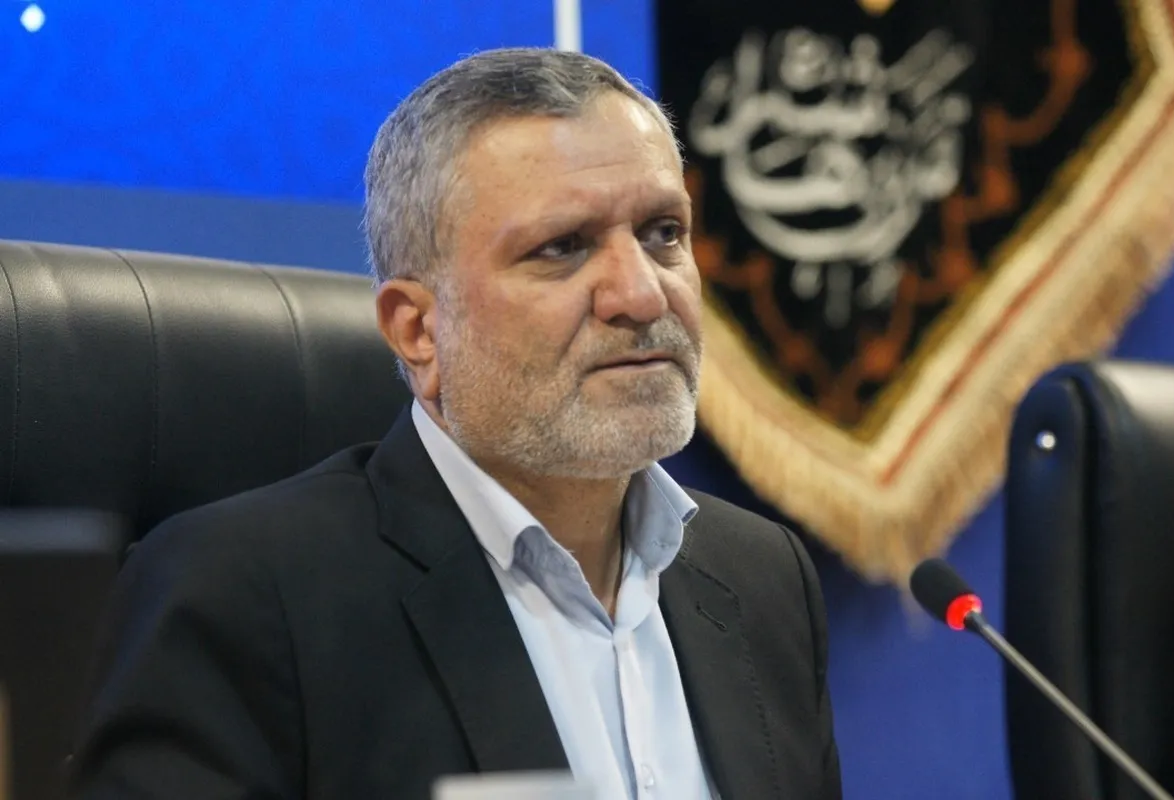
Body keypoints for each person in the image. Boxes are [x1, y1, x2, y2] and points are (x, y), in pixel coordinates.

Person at [69, 48, 841, 799]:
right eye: (562, 248)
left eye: (663, 233)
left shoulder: (760, 576)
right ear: (418, 330)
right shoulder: (240, 596)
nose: (641, 295)